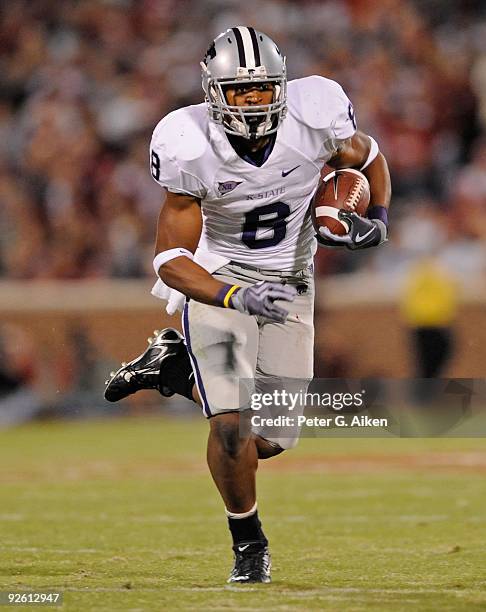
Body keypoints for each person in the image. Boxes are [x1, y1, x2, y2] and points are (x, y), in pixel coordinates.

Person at [104, 26, 391, 584]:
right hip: (218, 277)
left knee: (271, 438)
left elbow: (372, 156)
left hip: (291, 281)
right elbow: (170, 261)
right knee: (231, 425)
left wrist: (375, 223)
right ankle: (249, 544)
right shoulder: (189, 143)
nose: (256, 101)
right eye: (242, 92)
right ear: (215, 92)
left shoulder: (316, 113)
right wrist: (235, 294)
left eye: (263, 89)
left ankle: (172, 367)